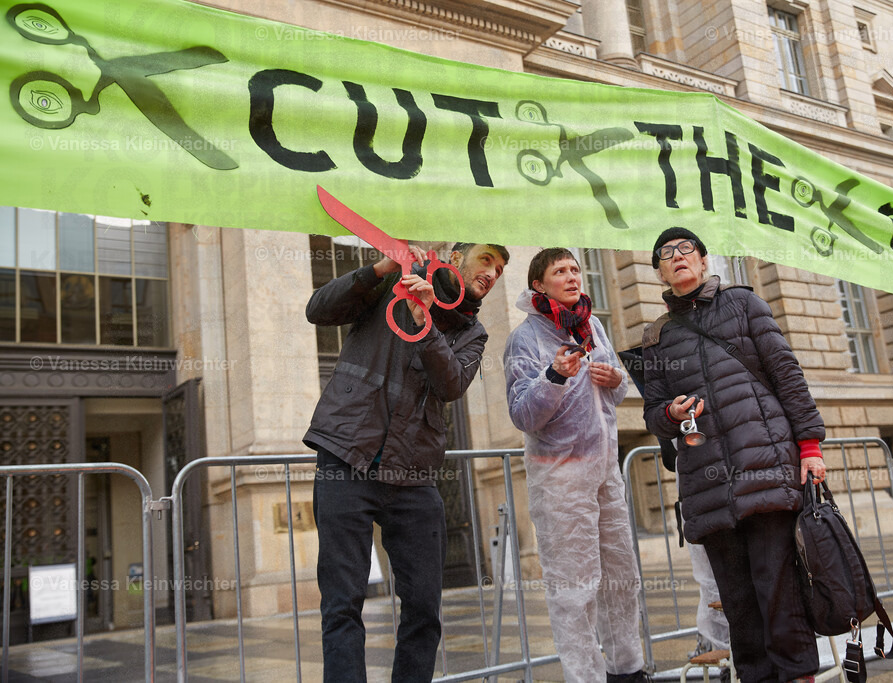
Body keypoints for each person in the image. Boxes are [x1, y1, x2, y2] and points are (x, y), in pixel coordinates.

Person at [305, 241, 508, 683]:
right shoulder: (392, 283)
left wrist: (426, 322)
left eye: (500, 268)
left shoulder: (473, 333)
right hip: (346, 456)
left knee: (423, 608)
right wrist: (382, 266)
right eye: (486, 259)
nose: (493, 273)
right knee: (342, 603)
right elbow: (318, 309)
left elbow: (451, 383)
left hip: (414, 473)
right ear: (455, 258)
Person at [641, 228, 827, 683]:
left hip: (764, 467)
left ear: (704, 261)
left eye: (686, 249)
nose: (677, 256)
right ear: (660, 273)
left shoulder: (745, 304)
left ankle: (798, 676)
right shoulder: (654, 337)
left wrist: (810, 446)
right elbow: (652, 414)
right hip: (707, 483)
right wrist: (669, 412)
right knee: (740, 611)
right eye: (666, 254)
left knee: (779, 590)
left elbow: (787, 374)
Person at [503, 248, 650, 683]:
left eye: (574, 269)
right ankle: (586, 677)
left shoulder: (592, 325)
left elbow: (612, 395)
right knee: (574, 586)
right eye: (559, 271)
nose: (571, 277)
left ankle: (629, 668)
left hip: (605, 470)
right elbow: (522, 415)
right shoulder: (524, 339)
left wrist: (617, 380)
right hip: (560, 476)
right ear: (538, 285)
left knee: (621, 575)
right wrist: (553, 376)